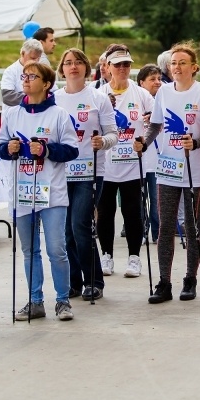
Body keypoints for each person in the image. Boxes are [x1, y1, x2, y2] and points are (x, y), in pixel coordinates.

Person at [135, 42, 200, 303]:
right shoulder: (163, 92)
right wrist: (144, 142)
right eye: (173, 63)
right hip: (168, 169)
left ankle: (190, 278)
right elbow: (156, 126)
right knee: (165, 226)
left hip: (194, 170)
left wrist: (196, 142)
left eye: (182, 62)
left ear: (194, 67)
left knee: (192, 226)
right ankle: (164, 282)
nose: (177, 67)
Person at [0, 61, 79, 321]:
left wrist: (46, 150)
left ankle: (63, 300)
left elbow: (72, 149)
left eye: (32, 76)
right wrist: (8, 149)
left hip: (51, 192)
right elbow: (0, 148)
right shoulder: (11, 114)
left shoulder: (58, 114)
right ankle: (35, 301)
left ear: (46, 84)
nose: (26, 79)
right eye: (24, 75)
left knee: (56, 249)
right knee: (29, 249)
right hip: (22, 192)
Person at [53, 48, 118, 301]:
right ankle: (74, 282)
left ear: (86, 68)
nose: (73, 67)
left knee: (80, 225)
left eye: (78, 62)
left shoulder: (98, 98)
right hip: (60, 172)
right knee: (65, 231)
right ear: (62, 69)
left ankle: (94, 280)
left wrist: (102, 141)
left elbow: (113, 133)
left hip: (89, 171)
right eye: (68, 63)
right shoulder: (54, 98)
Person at [97, 47, 155, 277]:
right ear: (108, 67)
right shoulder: (99, 94)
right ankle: (106, 256)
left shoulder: (142, 94)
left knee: (133, 212)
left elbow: (157, 123)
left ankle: (134, 258)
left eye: (127, 65)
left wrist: (149, 127)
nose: (122, 69)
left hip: (132, 165)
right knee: (105, 212)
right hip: (106, 166)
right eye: (117, 65)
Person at [137, 64, 163, 242]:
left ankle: (157, 234)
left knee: (157, 201)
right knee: (139, 200)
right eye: (152, 79)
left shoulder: (164, 99)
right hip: (137, 160)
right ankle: (141, 231)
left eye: (159, 79)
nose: (158, 82)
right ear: (142, 83)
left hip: (157, 160)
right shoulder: (135, 98)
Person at [0, 39, 44, 111]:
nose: (35, 61)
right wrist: (33, 99)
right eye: (32, 58)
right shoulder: (10, 71)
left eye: (38, 58)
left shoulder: (42, 71)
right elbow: (7, 96)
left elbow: (53, 91)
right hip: (14, 117)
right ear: (23, 53)